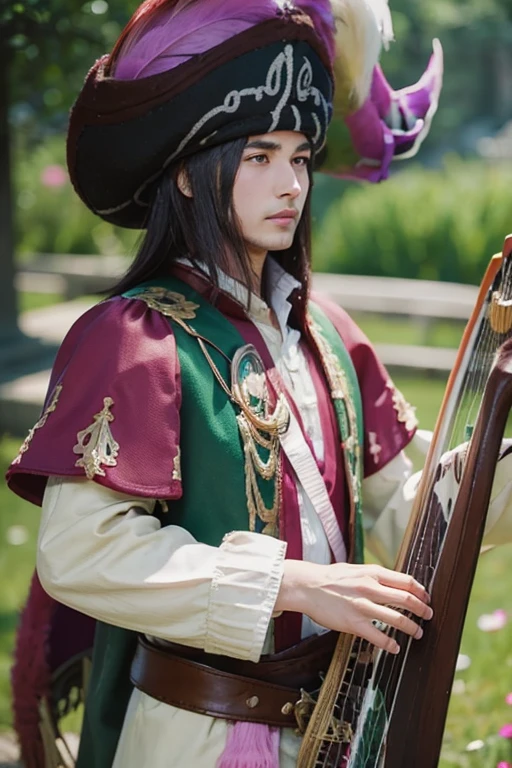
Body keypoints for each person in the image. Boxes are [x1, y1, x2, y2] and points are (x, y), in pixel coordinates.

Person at [6, 1, 512, 767]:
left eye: (303, 157)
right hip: (194, 736)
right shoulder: (134, 338)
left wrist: (492, 465)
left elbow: (408, 513)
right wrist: (291, 585)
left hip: (345, 728)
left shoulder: (331, 335)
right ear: (184, 171)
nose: (291, 184)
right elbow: (80, 550)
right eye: (259, 157)